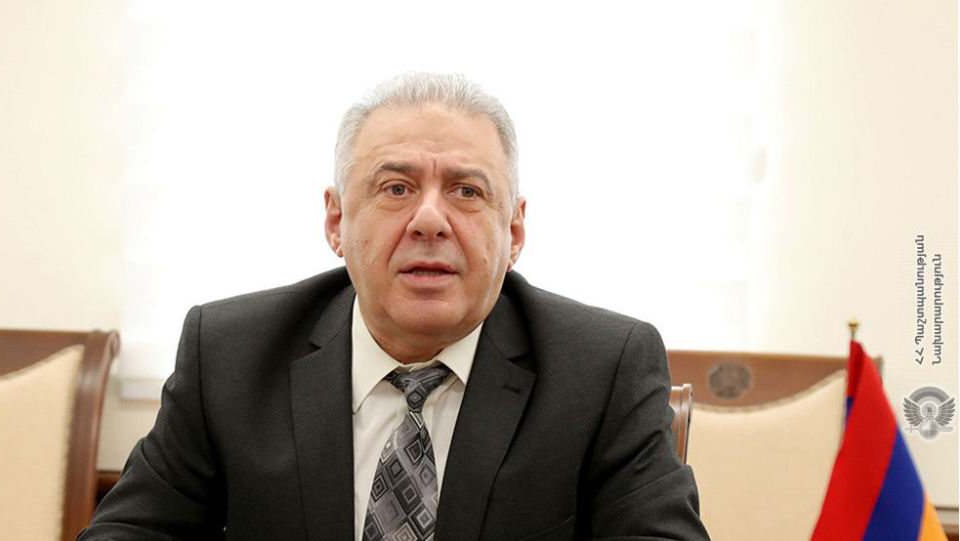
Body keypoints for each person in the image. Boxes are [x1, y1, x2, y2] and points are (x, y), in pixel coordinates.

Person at [80, 73, 709, 540]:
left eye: (466, 191)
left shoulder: (602, 370)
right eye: (396, 187)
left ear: (514, 231)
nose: (429, 220)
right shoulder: (228, 355)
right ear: (336, 221)